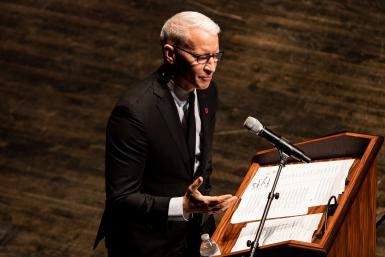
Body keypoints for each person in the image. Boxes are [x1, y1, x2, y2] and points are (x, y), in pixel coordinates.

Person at [94, 11, 237, 257]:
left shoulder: (207, 92)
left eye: (216, 55)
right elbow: (121, 198)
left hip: (193, 235)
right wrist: (182, 206)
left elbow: (201, 164)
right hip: (147, 244)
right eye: (201, 57)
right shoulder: (135, 111)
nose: (211, 67)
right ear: (170, 53)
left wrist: (203, 214)